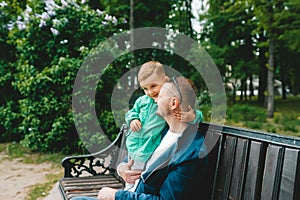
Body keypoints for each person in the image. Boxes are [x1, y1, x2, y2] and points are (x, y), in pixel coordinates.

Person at [71, 76, 209, 200]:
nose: (153, 98)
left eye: (160, 95)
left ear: (173, 103)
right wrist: (122, 168)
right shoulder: (161, 132)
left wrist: (117, 196)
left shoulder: (191, 153)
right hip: (131, 191)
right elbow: (136, 155)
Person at [123, 61, 203, 191]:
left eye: (154, 87)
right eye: (145, 89)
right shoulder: (142, 101)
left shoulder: (175, 136)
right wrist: (133, 119)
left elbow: (192, 110)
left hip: (146, 152)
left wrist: (193, 117)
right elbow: (132, 113)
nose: (150, 93)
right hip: (136, 147)